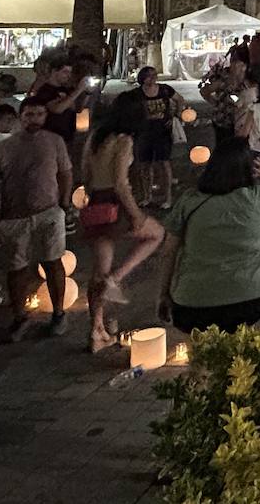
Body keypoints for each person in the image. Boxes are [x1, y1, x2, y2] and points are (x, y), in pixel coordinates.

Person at [156, 139, 260, 334]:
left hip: (195, 301)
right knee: (239, 351)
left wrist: (164, 294)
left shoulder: (189, 201)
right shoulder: (259, 197)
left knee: (206, 351)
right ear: (249, 169)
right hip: (250, 297)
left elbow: (168, 252)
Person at [81, 113, 164, 353]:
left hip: (95, 201)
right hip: (115, 203)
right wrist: (135, 213)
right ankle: (116, 278)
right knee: (156, 234)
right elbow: (120, 181)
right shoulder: (124, 140)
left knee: (99, 270)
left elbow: (85, 172)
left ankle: (96, 330)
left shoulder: (96, 137)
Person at [0, 98, 73, 340]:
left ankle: (58, 313)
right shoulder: (4, 148)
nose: (34, 119)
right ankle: (19, 315)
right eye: (29, 115)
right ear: (20, 116)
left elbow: (65, 172)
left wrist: (65, 202)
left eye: (39, 114)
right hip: (14, 214)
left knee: (52, 262)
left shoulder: (54, 142)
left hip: (48, 211)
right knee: (16, 268)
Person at [121, 66, 181, 209]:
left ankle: (167, 197)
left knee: (164, 163)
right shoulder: (136, 94)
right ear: (142, 79)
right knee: (145, 165)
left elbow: (180, 99)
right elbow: (126, 108)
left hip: (162, 132)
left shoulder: (165, 90)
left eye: (154, 74)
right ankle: (147, 196)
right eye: (149, 76)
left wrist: (175, 115)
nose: (153, 78)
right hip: (144, 132)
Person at [27, 61, 95, 153]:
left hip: (67, 138)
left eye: (70, 72)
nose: (68, 75)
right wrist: (78, 90)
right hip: (50, 139)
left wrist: (87, 94)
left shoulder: (66, 90)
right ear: (55, 71)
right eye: (65, 72)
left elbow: (79, 111)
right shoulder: (45, 91)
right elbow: (57, 109)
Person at [201, 57, 248, 150]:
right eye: (238, 68)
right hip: (222, 119)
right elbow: (204, 91)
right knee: (223, 145)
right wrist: (214, 102)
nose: (240, 71)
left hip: (238, 120)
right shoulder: (223, 82)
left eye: (242, 68)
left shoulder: (245, 84)